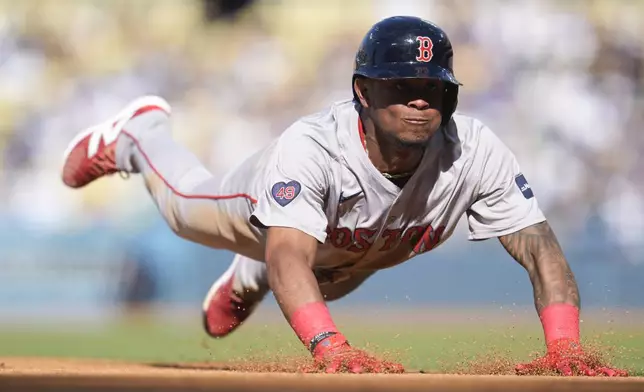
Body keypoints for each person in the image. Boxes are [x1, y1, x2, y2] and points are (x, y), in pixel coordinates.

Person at [60, 16, 628, 376]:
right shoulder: (312, 148)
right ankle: (141, 134)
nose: (419, 101)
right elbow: (287, 253)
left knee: (346, 264)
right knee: (187, 208)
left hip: (361, 246)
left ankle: (246, 279)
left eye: (433, 89)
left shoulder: (473, 150)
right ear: (363, 90)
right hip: (270, 218)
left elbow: (540, 248)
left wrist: (563, 347)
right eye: (401, 85)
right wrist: (330, 347)